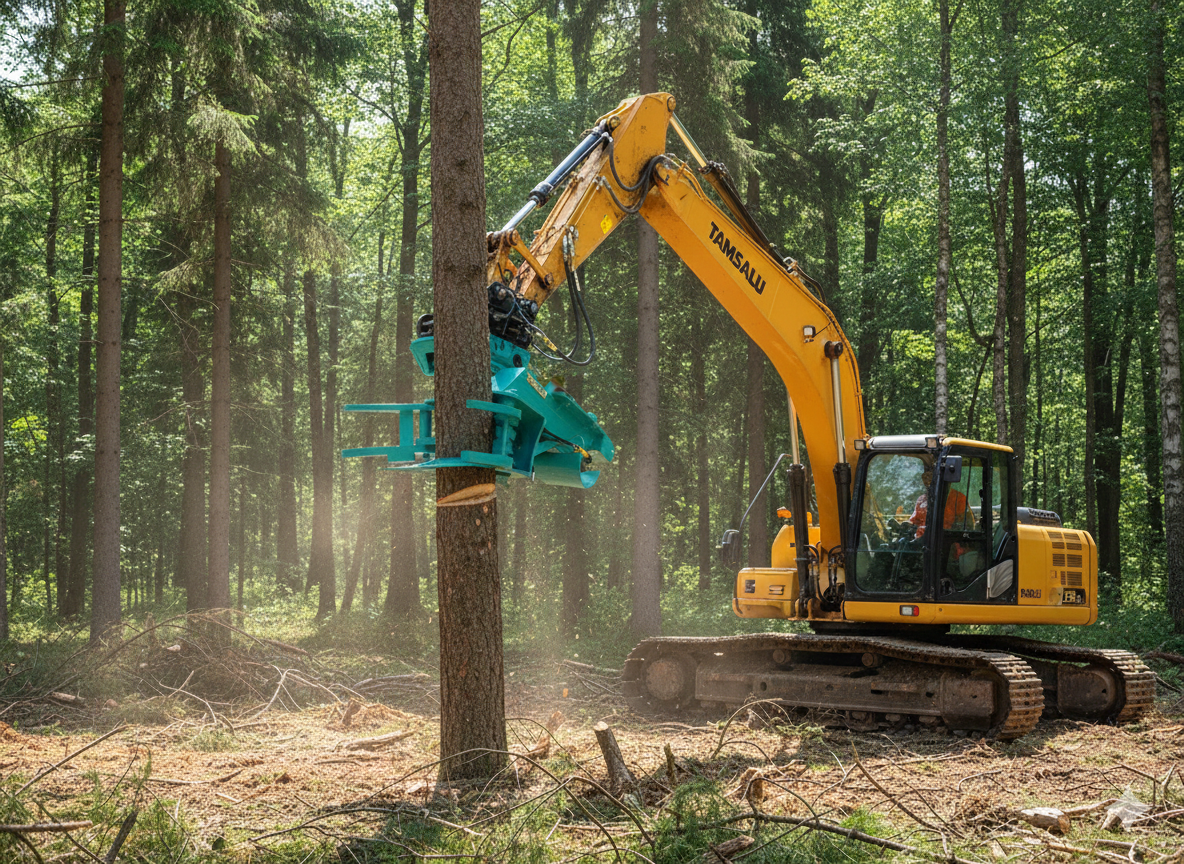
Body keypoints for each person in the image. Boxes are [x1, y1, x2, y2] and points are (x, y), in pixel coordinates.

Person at [909, 465, 972, 539]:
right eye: (924, 477)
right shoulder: (921, 499)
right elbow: (914, 522)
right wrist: (902, 525)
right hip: (919, 540)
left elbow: (967, 526)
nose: (926, 481)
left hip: (944, 541)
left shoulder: (958, 498)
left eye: (930, 476)